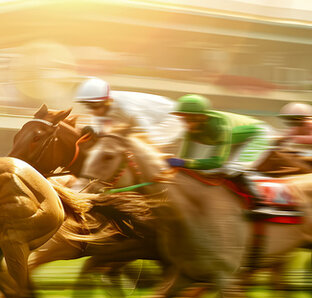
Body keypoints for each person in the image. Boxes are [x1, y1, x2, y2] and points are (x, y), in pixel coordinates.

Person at [166, 94, 296, 217]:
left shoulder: (220, 127)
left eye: (191, 119)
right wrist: (178, 163)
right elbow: (184, 161)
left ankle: (261, 203)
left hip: (257, 135)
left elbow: (217, 162)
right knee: (198, 167)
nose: (187, 124)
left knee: (232, 169)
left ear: (203, 117)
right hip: (234, 138)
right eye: (184, 119)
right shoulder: (191, 131)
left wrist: (184, 163)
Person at [74, 77, 182, 150]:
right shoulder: (102, 108)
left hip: (173, 117)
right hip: (154, 121)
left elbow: (150, 136)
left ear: (107, 101)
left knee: (144, 145)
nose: (91, 110)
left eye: (94, 106)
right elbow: (102, 132)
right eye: (87, 106)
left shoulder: (127, 108)